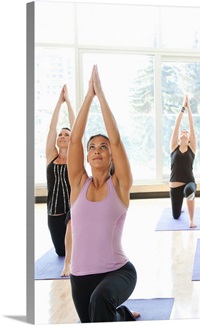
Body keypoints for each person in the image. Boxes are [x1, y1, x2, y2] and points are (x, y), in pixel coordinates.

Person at [67, 65, 139, 322]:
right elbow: (74, 140)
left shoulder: (120, 186)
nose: (97, 150)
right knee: (95, 317)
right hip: (80, 276)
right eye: (93, 147)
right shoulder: (78, 185)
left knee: (100, 301)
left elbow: (117, 140)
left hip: (118, 272)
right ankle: (121, 314)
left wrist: (102, 96)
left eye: (103, 147)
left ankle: (116, 310)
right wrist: (88, 96)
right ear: (87, 156)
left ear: (111, 156)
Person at [45, 84, 75, 258]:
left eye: (66, 135)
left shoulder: (74, 157)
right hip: (54, 211)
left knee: (75, 250)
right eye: (60, 135)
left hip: (73, 210)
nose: (62, 136)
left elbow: (76, 126)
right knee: (61, 252)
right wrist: (59, 102)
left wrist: (69, 102)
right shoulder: (51, 157)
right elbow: (51, 128)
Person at [169, 94, 198, 228]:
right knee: (175, 216)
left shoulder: (192, 148)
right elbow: (176, 125)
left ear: (190, 138)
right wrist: (182, 108)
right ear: (179, 137)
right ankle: (179, 205)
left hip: (189, 182)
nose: (184, 132)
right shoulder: (173, 147)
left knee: (190, 191)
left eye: (186, 132)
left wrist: (189, 109)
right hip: (175, 186)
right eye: (182, 132)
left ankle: (192, 220)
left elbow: (192, 126)